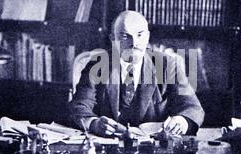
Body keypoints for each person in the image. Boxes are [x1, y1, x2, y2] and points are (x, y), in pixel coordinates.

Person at [69, 10, 204, 137]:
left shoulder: (167, 65)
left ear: (148, 36)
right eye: (124, 36)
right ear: (112, 39)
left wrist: (182, 121)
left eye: (140, 35)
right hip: (109, 145)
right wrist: (94, 123)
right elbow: (79, 105)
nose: (134, 43)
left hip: (154, 147)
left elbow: (192, 107)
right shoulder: (97, 65)